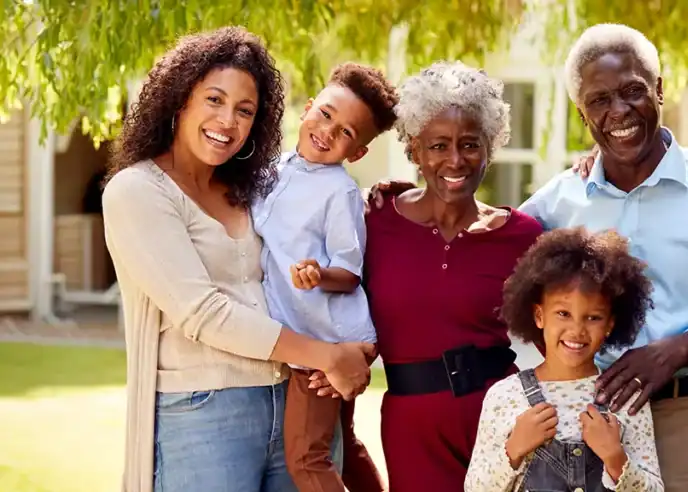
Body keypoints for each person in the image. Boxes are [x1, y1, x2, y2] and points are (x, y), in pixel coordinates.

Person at [370, 25, 688, 492]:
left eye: (633, 91)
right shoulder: (554, 205)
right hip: (577, 417)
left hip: (681, 413)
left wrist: (672, 352)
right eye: (599, 100)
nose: (619, 111)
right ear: (582, 113)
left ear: (659, 89)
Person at [102, 27, 370, 492]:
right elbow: (203, 313)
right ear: (180, 98)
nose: (227, 121)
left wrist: (387, 199)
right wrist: (327, 356)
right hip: (205, 416)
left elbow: (323, 231)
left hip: (292, 401)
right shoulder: (137, 192)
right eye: (214, 100)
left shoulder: (255, 190)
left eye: (244, 111)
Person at [362, 61, 544, 491]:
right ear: (414, 150)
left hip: (501, 420)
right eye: (438, 146)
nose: (455, 160)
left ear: (490, 147)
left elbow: (556, 335)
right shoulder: (374, 221)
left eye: (470, 144)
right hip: (411, 426)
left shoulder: (522, 236)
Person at [252, 62, 398, 492]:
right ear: (308, 106)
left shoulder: (339, 191)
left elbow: (350, 273)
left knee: (307, 458)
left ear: (357, 154)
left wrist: (319, 275)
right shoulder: (273, 169)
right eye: (327, 114)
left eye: (347, 133)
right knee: (343, 444)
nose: (329, 131)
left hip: (327, 339)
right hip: (306, 335)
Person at [465, 227, 664, 492]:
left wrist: (615, 458)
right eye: (563, 313)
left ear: (610, 324)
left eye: (593, 317)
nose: (577, 330)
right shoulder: (504, 396)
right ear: (539, 316)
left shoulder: (623, 397)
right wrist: (513, 450)